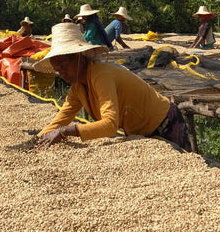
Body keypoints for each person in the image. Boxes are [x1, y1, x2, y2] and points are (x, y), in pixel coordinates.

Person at [34, 22, 191, 152]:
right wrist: (38, 140)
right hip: (139, 133)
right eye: (57, 69)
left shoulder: (101, 76)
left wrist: (65, 131)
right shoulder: (78, 88)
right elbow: (62, 118)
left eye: (63, 66)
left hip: (165, 122)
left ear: (79, 58)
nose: (61, 73)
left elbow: (110, 125)